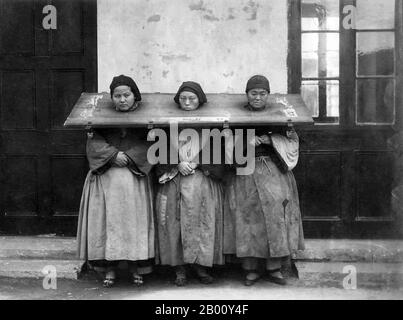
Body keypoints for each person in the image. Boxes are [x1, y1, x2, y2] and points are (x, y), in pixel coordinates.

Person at [223, 75, 305, 286]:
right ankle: (251, 269)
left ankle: (274, 267)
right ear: (247, 94)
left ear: (268, 95)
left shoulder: (280, 117)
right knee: (248, 218)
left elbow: (292, 140)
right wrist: (245, 142)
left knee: (275, 218)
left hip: (273, 171)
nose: (258, 97)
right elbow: (226, 142)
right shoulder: (234, 117)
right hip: (246, 173)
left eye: (262, 93)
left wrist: (271, 139)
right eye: (253, 93)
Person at [77, 75, 155, 287]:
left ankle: (135, 267)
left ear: (134, 96)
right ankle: (108, 269)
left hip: (134, 182)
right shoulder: (99, 121)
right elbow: (93, 144)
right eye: (117, 96)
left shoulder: (147, 120)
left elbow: (151, 144)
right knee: (107, 223)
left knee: (133, 224)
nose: (122, 99)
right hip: (106, 180)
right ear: (111, 98)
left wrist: (128, 157)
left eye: (126, 95)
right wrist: (113, 155)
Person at [155, 81, 225, 286]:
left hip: (201, 182)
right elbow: (157, 148)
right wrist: (176, 162)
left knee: (200, 223)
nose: (187, 102)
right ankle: (179, 269)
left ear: (200, 101)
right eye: (183, 98)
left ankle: (200, 265)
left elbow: (219, 150)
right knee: (175, 223)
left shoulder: (212, 125)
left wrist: (198, 161)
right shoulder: (165, 124)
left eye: (192, 98)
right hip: (174, 180)